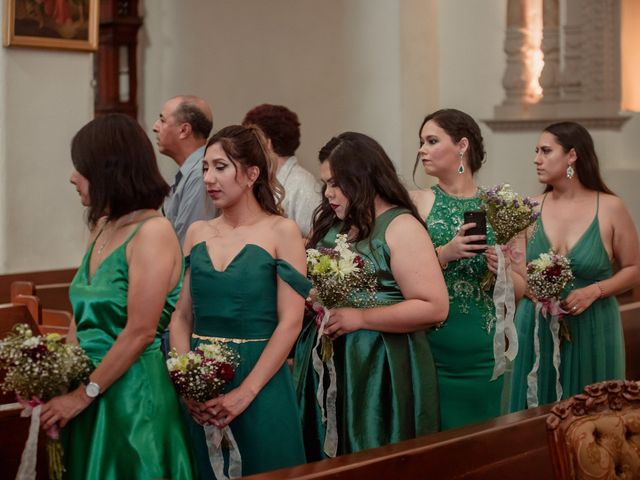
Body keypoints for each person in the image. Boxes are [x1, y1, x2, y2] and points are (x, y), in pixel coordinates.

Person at [40, 114, 196, 479]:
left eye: (82, 168)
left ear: (109, 170)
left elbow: (140, 331)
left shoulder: (152, 233)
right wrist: (58, 377)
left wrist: (82, 395)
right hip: (88, 389)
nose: (72, 177)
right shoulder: (102, 227)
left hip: (130, 395)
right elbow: (80, 317)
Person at [294, 132, 449, 460]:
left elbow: (434, 307)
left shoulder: (400, 227)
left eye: (336, 183)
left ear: (363, 178)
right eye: (326, 184)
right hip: (329, 359)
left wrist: (361, 317)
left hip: (380, 364)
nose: (328, 193)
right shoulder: (336, 226)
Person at [169, 125, 309, 478]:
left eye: (220, 167)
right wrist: (188, 382)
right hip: (202, 378)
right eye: (204, 168)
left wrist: (246, 392)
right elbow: (181, 316)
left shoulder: (282, 231)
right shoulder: (198, 232)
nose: (209, 178)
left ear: (251, 174)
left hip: (260, 377)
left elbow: (291, 321)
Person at [510, 121, 640, 410]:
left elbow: (634, 268)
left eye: (546, 151)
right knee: (535, 415)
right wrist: (527, 286)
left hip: (594, 325)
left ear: (572, 156)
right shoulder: (529, 208)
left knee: (594, 416)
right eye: (536, 151)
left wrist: (595, 290)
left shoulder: (610, 207)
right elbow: (516, 273)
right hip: (538, 326)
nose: (536, 159)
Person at [411, 108, 526, 430]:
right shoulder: (416, 203)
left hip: (482, 345)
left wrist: (502, 272)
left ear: (462, 145)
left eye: (432, 141)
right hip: (430, 342)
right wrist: (444, 254)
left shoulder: (502, 207)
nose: (422, 149)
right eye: (421, 142)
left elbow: (521, 288)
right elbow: (400, 273)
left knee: (479, 442)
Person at [242, 104, 321, 237]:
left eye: (251, 140)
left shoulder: (304, 187)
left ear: (267, 143)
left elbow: (316, 245)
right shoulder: (261, 180)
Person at [154, 95, 217, 244]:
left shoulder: (199, 175)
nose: (155, 127)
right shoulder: (189, 171)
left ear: (184, 130)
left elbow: (191, 245)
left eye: (162, 121)